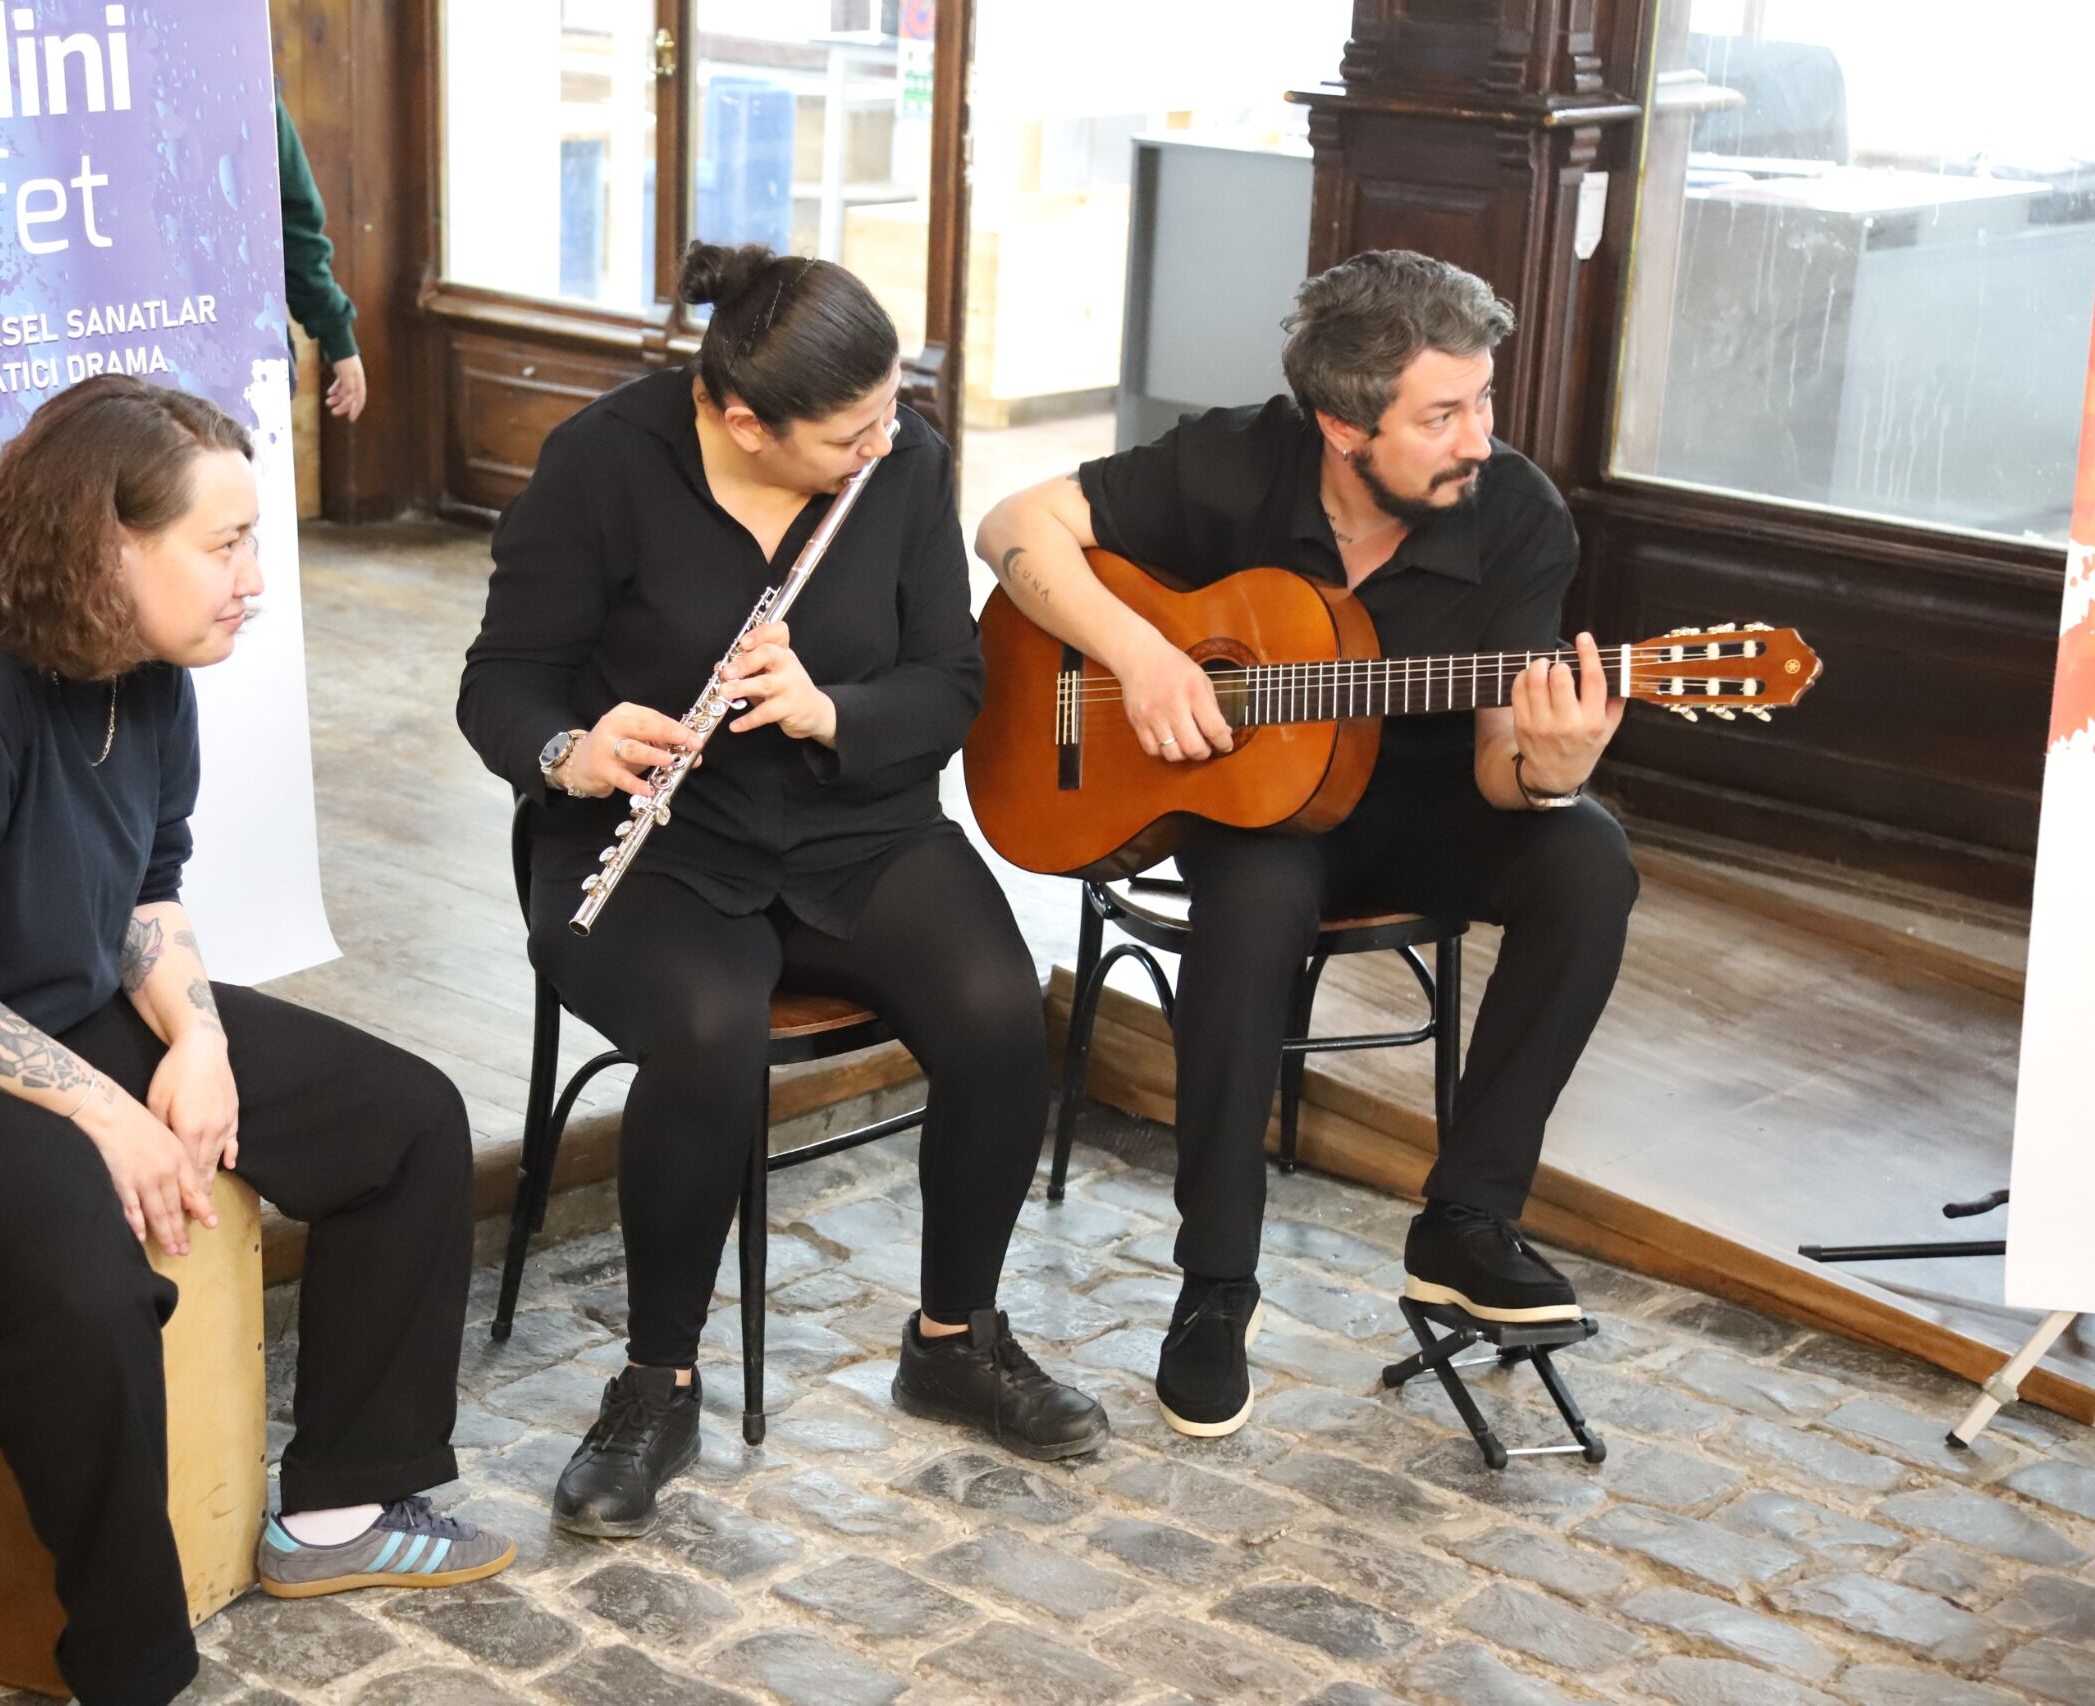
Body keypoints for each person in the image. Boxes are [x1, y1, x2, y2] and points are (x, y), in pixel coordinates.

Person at [0, 376, 507, 1706]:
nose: (256, 577)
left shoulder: (143, 665)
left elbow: (148, 887)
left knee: (406, 1117)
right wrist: (110, 1110)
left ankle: (337, 1511)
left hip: (47, 1002)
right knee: (83, 1276)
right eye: (226, 543)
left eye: (256, 539)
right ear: (106, 543)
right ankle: (130, 1665)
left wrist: (193, 1039)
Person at [458, 242, 1108, 1538]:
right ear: (742, 419)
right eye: (849, 430)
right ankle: (658, 1382)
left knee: (996, 1004)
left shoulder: (902, 463)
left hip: (853, 826)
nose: (882, 444)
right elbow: (502, 679)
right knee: (708, 1032)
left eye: (891, 410)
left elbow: (948, 686)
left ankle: (954, 1338)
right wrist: (568, 749)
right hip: (655, 842)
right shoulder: (602, 462)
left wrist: (828, 708)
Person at [974, 250, 1638, 1439]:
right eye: (1442, 415)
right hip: (1258, 809)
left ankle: (1466, 1224)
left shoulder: (1520, 512)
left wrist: (1555, 765)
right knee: (1253, 908)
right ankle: (1214, 1283)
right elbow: (1011, 524)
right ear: (1341, 425)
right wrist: (1142, 654)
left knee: (1591, 856)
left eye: (1483, 400)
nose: (1478, 437)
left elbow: (1502, 759)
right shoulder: (1234, 459)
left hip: (1437, 812)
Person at [278, 95, 365, 422]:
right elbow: (295, 222)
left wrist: (337, 335)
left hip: (237, 358)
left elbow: (291, 223)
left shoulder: (243, 70)